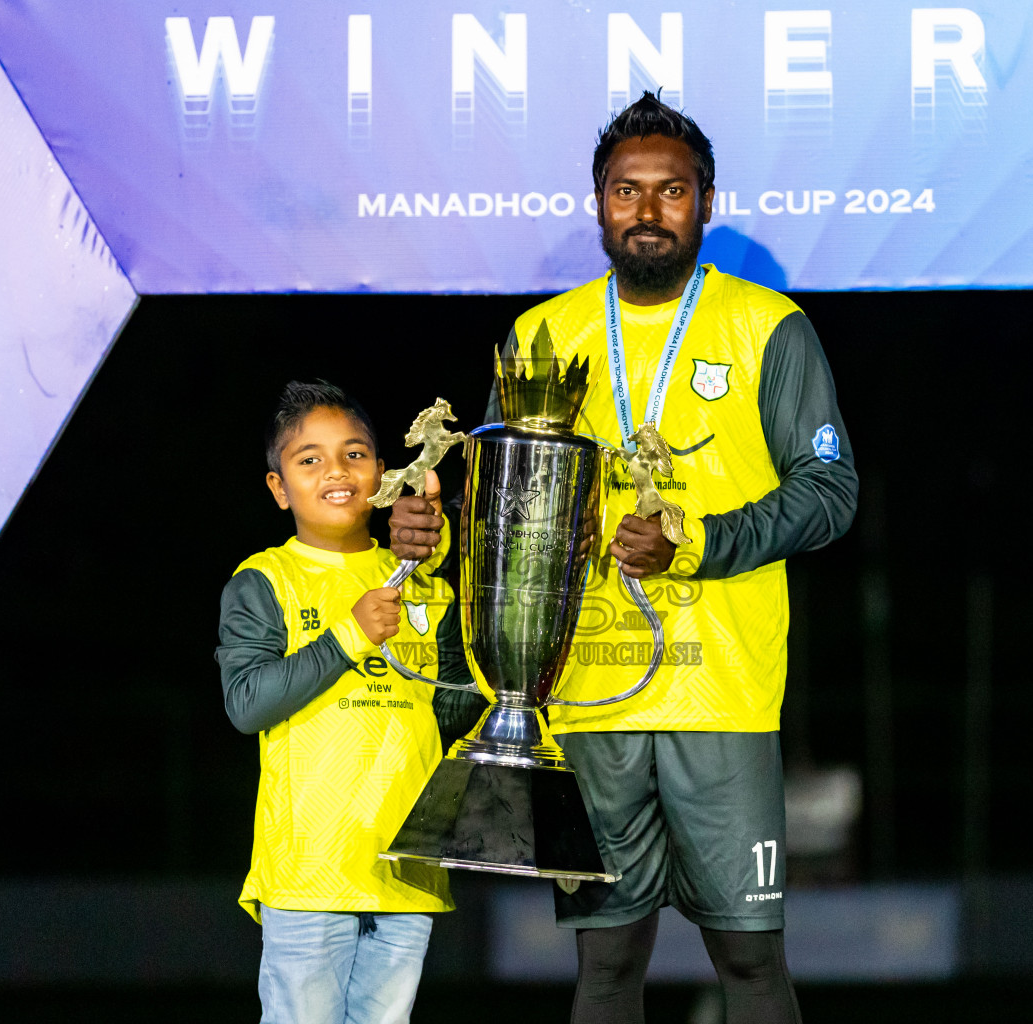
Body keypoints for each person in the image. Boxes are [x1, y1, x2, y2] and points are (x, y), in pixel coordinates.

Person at [390, 93, 857, 1024]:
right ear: (597, 203)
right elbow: (498, 515)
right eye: (626, 192)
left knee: (751, 960)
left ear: (706, 203)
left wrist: (700, 543)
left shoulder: (770, 329)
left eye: (671, 191)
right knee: (605, 967)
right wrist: (432, 539)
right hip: (586, 692)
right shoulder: (540, 337)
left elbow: (830, 495)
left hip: (721, 699)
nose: (647, 212)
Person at [216, 380, 485, 1024]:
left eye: (355, 454)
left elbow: (448, 709)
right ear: (280, 488)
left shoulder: (426, 584)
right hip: (309, 876)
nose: (336, 471)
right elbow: (247, 703)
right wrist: (350, 635)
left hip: (403, 870)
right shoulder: (264, 580)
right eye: (309, 460)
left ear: (385, 475)